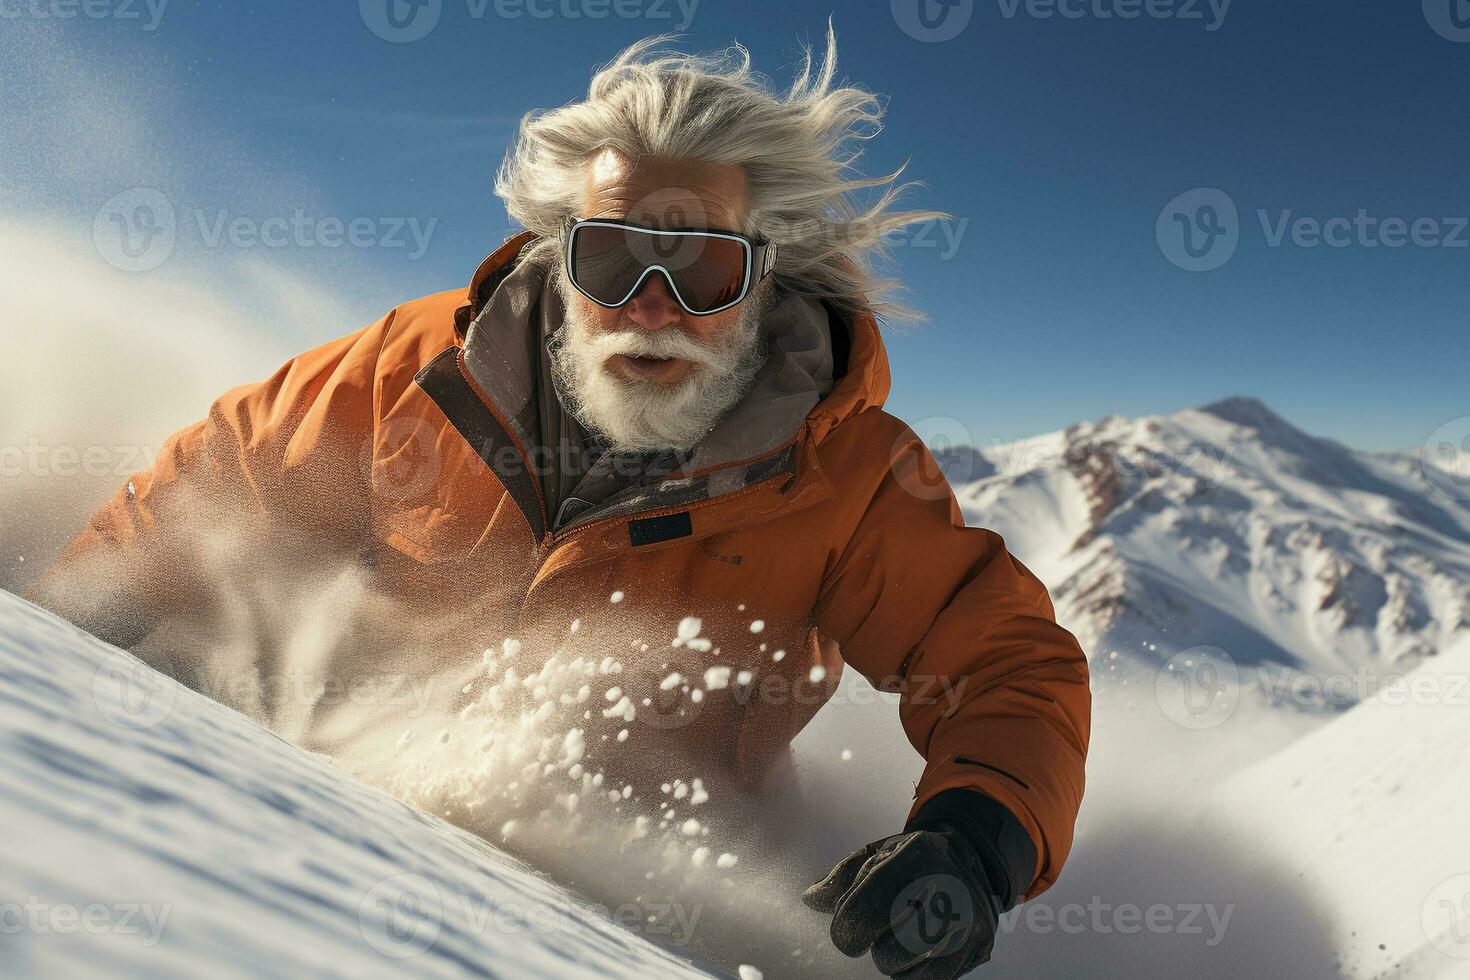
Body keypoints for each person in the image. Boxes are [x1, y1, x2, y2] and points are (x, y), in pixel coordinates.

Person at [34, 29, 1090, 979]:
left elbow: (1003, 658)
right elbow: (220, 482)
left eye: (705, 269)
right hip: (323, 833)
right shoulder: (412, 370)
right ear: (561, 252)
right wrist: (72, 637)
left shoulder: (847, 473)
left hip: (653, 905)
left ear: (765, 276)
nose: (653, 306)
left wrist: (974, 834)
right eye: (616, 256)